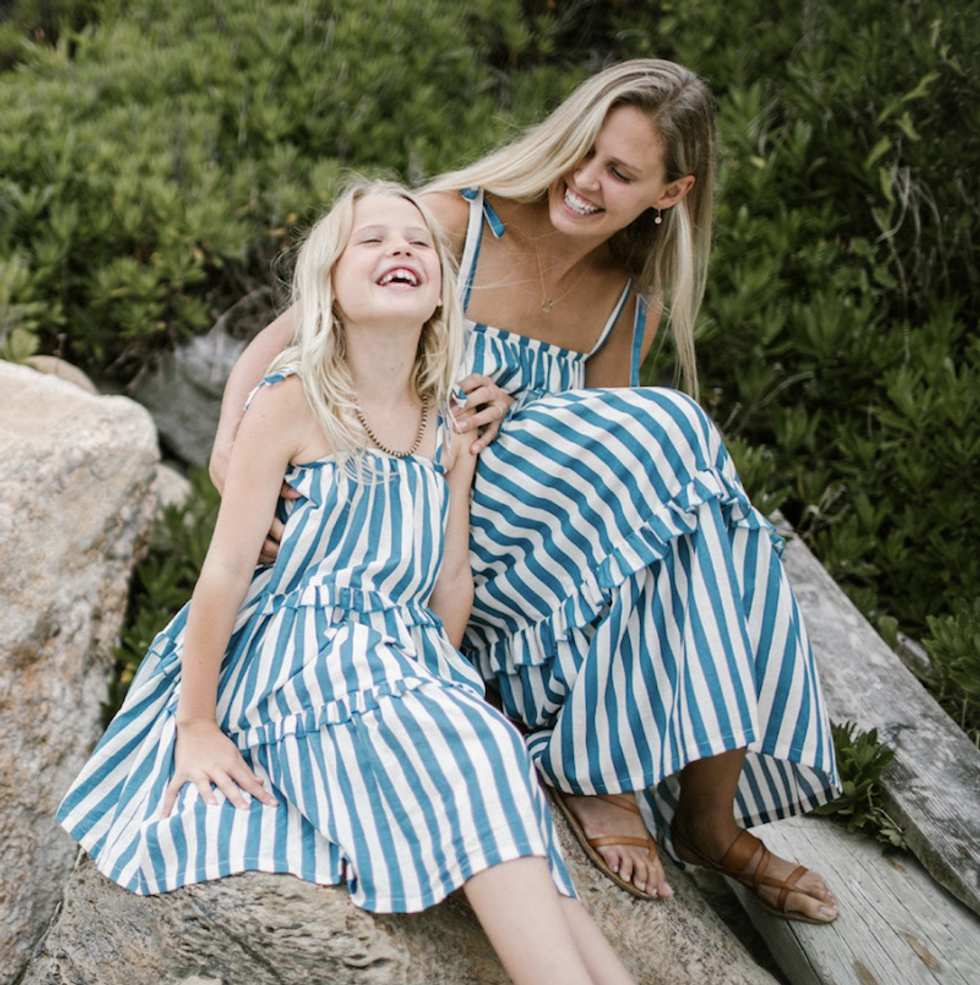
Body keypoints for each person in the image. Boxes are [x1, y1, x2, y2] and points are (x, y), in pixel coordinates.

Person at [212, 60, 841, 925]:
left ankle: (693, 811)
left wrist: (531, 404)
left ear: (672, 191)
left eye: (621, 173)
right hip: (412, 522)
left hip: (521, 555)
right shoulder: (453, 224)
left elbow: (615, 496)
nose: (585, 180)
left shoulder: (627, 300)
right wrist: (227, 465)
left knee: (683, 490)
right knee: (686, 441)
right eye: (583, 151)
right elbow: (288, 339)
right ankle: (647, 795)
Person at [58, 180, 640, 985]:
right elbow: (224, 572)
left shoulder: (445, 423)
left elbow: (447, 583)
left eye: (415, 241)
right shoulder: (293, 400)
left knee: (493, 755)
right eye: (370, 239)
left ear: (441, 292)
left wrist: (443, 680)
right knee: (473, 754)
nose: (398, 248)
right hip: (297, 655)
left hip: (401, 658)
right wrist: (196, 722)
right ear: (329, 282)